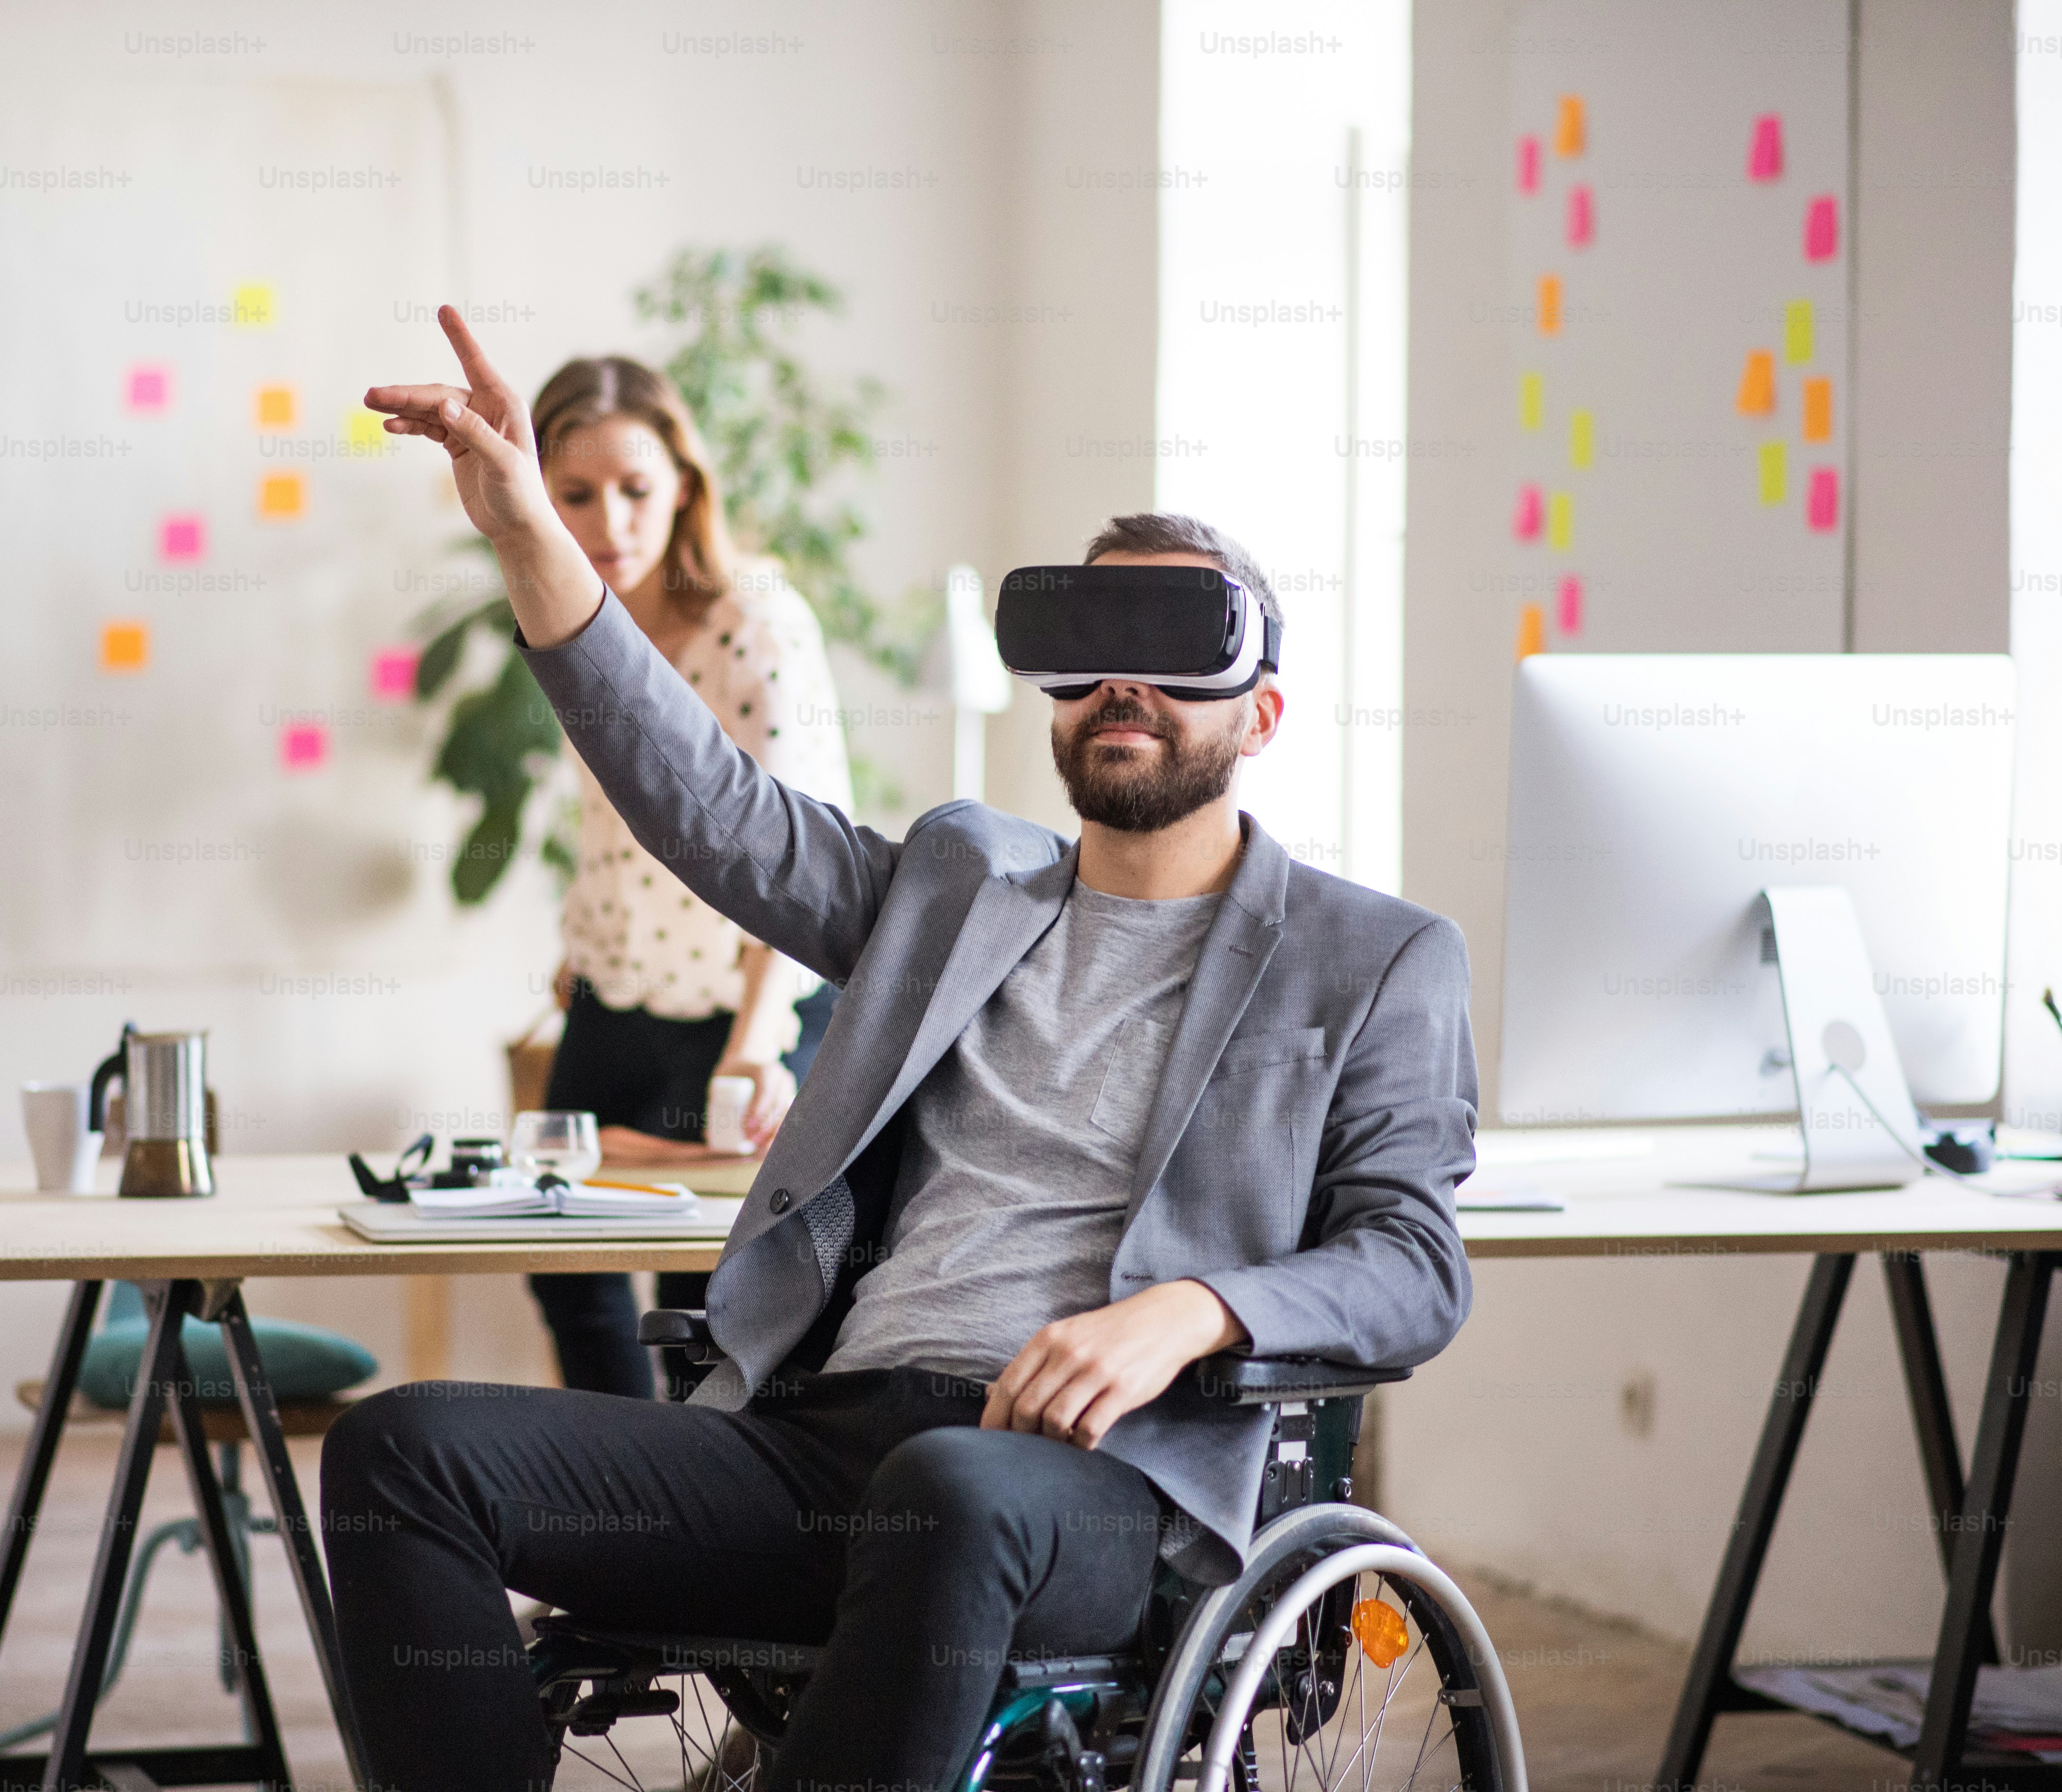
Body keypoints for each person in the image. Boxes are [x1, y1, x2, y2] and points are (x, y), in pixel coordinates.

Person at [328, 308, 1477, 1792]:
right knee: (400, 1456)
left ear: (1259, 713)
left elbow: (1414, 1262)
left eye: (1175, 652)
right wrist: (526, 524)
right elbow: (707, 805)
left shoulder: (1373, 954)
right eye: (1090, 651)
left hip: (1102, 1482)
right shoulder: (955, 886)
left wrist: (1193, 1311)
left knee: (948, 1493)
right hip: (821, 1449)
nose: (1124, 687)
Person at [517, 354, 850, 1400]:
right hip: (617, 989)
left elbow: (796, 847)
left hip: (750, 1001)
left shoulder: (756, 618)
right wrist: (578, 958)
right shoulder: (578, 618)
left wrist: (754, 1047)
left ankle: (676, 1527)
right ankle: (605, 1505)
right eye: (574, 494)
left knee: (699, 1288)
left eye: (635, 489)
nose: (607, 520)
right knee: (554, 1248)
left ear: (685, 490)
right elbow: (606, 819)